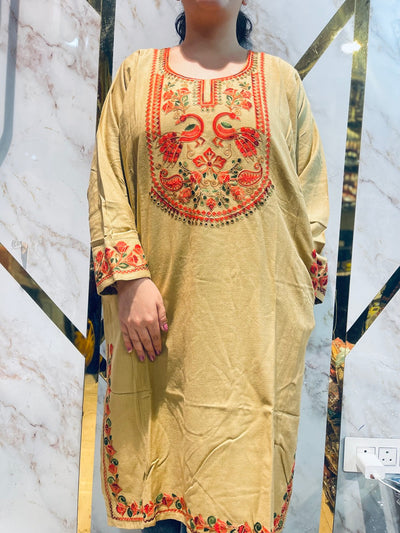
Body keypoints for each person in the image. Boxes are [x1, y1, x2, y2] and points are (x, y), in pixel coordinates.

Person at [87, 1, 329, 531]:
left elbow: (310, 202)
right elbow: (109, 181)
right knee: (159, 485)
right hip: (156, 333)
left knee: (241, 492)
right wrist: (129, 278)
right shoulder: (135, 74)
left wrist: (289, 291)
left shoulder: (282, 83)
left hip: (252, 340)